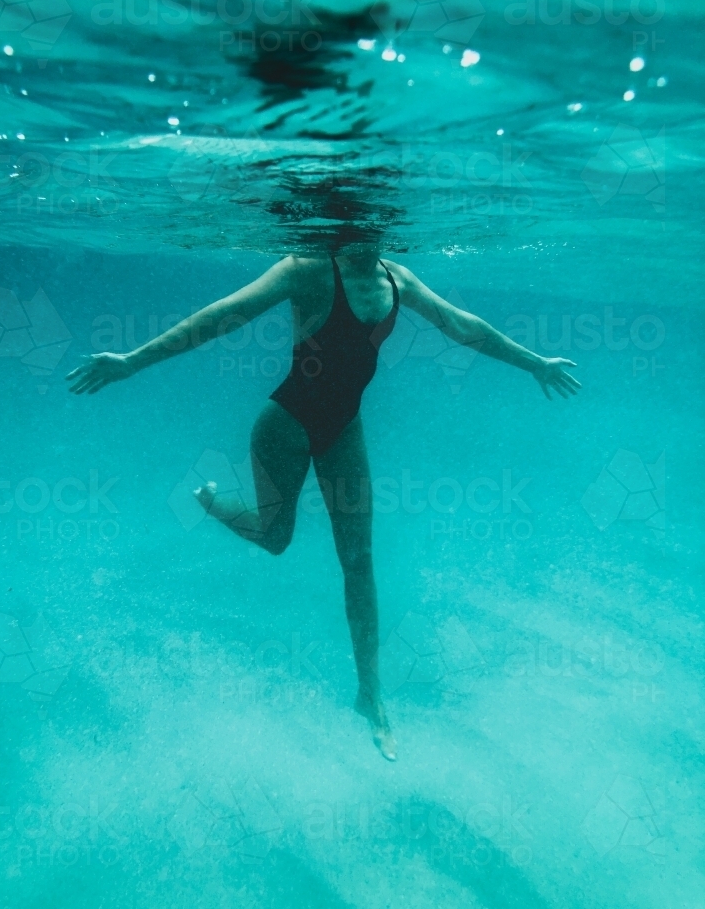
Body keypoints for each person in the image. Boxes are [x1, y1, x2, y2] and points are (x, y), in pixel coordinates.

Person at [66, 246, 581, 760]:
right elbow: (221, 316)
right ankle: (214, 503)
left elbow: (462, 325)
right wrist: (132, 361)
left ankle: (371, 695)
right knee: (275, 538)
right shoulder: (307, 269)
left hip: (344, 431)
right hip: (283, 427)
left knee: (359, 563)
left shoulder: (396, 278)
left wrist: (534, 363)